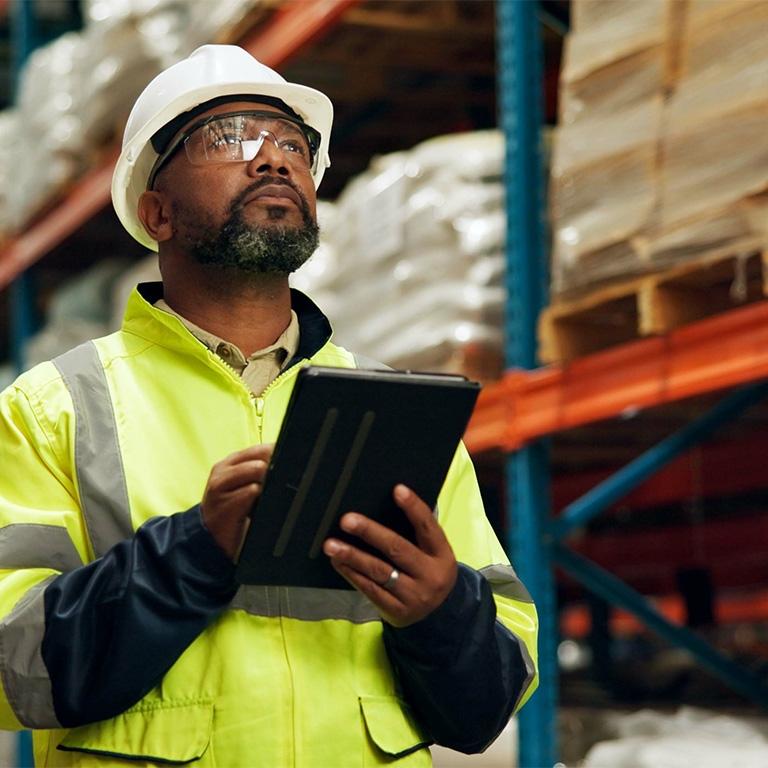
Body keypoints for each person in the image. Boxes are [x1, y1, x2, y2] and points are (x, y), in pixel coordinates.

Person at [0, 45, 538, 767]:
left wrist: (441, 615)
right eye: (232, 140)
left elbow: (488, 706)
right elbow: (12, 673)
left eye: (293, 144)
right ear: (156, 211)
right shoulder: (55, 408)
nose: (274, 159)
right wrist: (189, 554)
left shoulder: (397, 410)